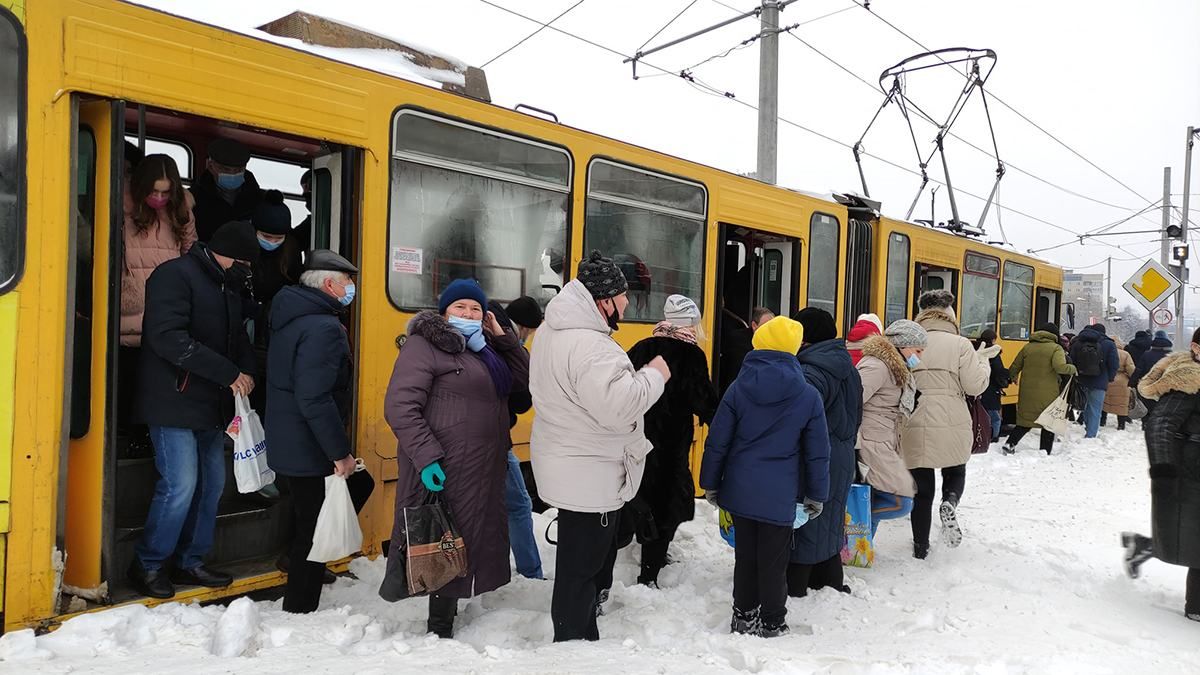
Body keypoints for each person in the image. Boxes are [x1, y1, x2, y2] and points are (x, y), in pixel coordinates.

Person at [528, 250, 670, 642]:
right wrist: (654, 376)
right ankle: (574, 643)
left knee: (578, 562)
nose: (627, 302)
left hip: (568, 462)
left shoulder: (553, 331)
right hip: (590, 471)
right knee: (583, 567)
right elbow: (620, 405)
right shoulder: (591, 346)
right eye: (623, 295)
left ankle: (575, 632)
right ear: (603, 299)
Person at [384, 279, 530, 638]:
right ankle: (439, 626)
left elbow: (524, 383)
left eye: (476, 309)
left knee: (466, 536)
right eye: (460, 307)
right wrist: (427, 457)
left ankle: (449, 610)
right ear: (444, 312)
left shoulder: (484, 349)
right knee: (444, 537)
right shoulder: (424, 345)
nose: (468, 314)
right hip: (445, 464)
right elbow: (400, 406)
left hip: (481, 464)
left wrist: (504, 337)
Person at [128, 221, 259, 599]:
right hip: (173, 400)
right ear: (223, 253)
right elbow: (168, 338)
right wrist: (229, 372)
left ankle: (190, 560)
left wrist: (247, 371)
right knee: (180, 484)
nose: (245, 269)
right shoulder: (174, 276)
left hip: (212, 401)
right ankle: (149, 564)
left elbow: (237, 338)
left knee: (211, 486)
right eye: (241, 261)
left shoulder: (227, 282)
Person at [699, 316, 830, 638]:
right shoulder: (807, 394)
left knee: (745, 557)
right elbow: (817, 452)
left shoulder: (738, 387)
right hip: (781, 493)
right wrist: (817, 494)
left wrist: (711, 483)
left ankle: (743, 616)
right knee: (774, 561)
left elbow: (718, 441)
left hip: (742, 489)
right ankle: (773, 620)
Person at [266, 250, 372, 613]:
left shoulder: (291, 316)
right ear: (329, 284)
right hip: (308, 441)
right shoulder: (324, 327)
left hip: (288, 434)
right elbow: (315, 397)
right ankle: (300, 604)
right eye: (348, 283)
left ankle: (300, 568)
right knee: (315, 523)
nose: (351, 289)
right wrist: (339, 453)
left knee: (311, 514)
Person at [625, 294, 719, 587]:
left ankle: (644, 550)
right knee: (667, 500)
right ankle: (650, 572)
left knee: (641, 492)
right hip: (670, 440)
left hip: (637, 435)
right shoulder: (691, 355)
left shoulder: (642, 347)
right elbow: (701, 398)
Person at [900, 290, 991, 559]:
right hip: (953, 416)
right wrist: (983, 363)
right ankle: (950, 500)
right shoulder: (960, 344)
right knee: (955, 467)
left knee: (921, 486)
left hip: (914, 416)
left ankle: (920, 546)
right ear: (950, 314)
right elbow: (975, 386)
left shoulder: (910, 343)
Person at [118, 155, 197, 452]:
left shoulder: (182, 210)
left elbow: (189, 252)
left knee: (157, 378)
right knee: (128, 374)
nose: (160, 198)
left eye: (166, 192)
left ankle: (146, 434)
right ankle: (130, 432)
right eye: (154, 192)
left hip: (165, 302)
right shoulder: (121, 204)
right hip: (131, 298)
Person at [1123, 328, 1200, 622]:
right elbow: (1160, 426)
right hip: (1191, 472)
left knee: (1190, 537)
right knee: (1192, 538)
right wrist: (1164, 471)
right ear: (1195, 348)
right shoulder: (1188, 380)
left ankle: (1142, 546)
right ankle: (1196, 608)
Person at [787, 308, 862, 598]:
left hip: (816, 458)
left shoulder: (810, 372)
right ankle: (828, 581)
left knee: (806, 522)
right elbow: (857, 416)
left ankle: (795, 587)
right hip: (842, 455)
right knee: (829, 520)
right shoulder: (847, 367)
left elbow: (802, 422)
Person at [487, 299, 543, 581]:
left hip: (471, 438)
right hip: (495, 439)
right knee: (519, 505)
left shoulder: (484, 335)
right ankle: (531, 572)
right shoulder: (508, 345)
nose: (529, 337)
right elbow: (522, 401)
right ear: (522, 326)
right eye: (530, 331)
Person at [857, 320, 926, 536]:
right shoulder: (877, 366)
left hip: (884, 441)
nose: (920, 356)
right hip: (869, 442)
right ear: (902, 346)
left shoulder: (897, 369)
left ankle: (862, 546)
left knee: (878, 495)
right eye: (917, 350)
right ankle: (846, 518)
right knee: (901, 500)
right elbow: (851, 401)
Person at [1003, 323, 1077, 455]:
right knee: (1047, 421)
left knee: (1025, 421)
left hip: (1027, 392)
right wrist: (1072, 369)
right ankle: (1044, 451)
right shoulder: (1056, 348)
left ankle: (1010, 443)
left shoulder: (1028, 347)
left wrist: (1014, 377)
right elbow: (1060, 367)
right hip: (1048, 392)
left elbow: (1014, 366)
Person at [190, 138, 263, 242]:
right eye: (225, 169)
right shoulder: (193, 198)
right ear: (210, 166)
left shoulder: (259, 199)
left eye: (238, 170)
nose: (232, 174)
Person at [1069, 323, 1119, 438]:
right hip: (1100, 381)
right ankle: (1091, 434)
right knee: (1095, 409)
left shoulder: (1078, 343)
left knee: (1085, 406)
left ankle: (1088, 427)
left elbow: (1071, 360)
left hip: (1081, 379)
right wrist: (1110, 377)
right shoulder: (1109, 344)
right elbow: (1114, 364)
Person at [973, 329, 1010, 443]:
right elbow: (998, 371)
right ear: (993, 340)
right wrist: (1007, 375)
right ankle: (993, 437)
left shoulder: (974, 349)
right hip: (991, 388)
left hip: (977, 386)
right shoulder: (993, 352)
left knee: (978, 413)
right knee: (995, 417)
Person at [1101, 338, 1136, 430]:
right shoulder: (1125, 354)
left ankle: (1102, 421)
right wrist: (1133, 378)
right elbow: (1130, 368)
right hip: (1122, 381)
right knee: (1122, 404)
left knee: (1105, 402)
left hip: (1108, 378)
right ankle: (1121, 424)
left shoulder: (1105, 351)